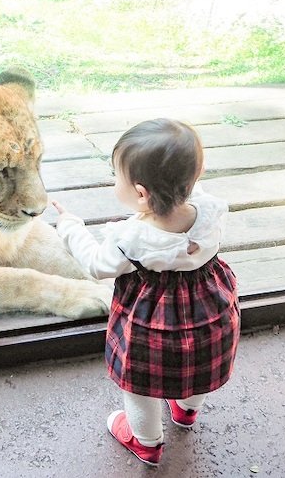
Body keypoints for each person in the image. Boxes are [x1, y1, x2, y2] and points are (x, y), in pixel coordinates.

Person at [52, 118, 240, 467]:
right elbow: (190, 194)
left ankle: (147, 441)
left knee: (139, 383)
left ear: (141, 194)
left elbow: (97, 264)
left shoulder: (132, 238)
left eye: (115, 177)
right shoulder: (212, 210)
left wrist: (70, 229)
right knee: (200, 362)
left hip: (152, 322)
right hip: (210, 312)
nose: (113, 183)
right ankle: (186, 410)